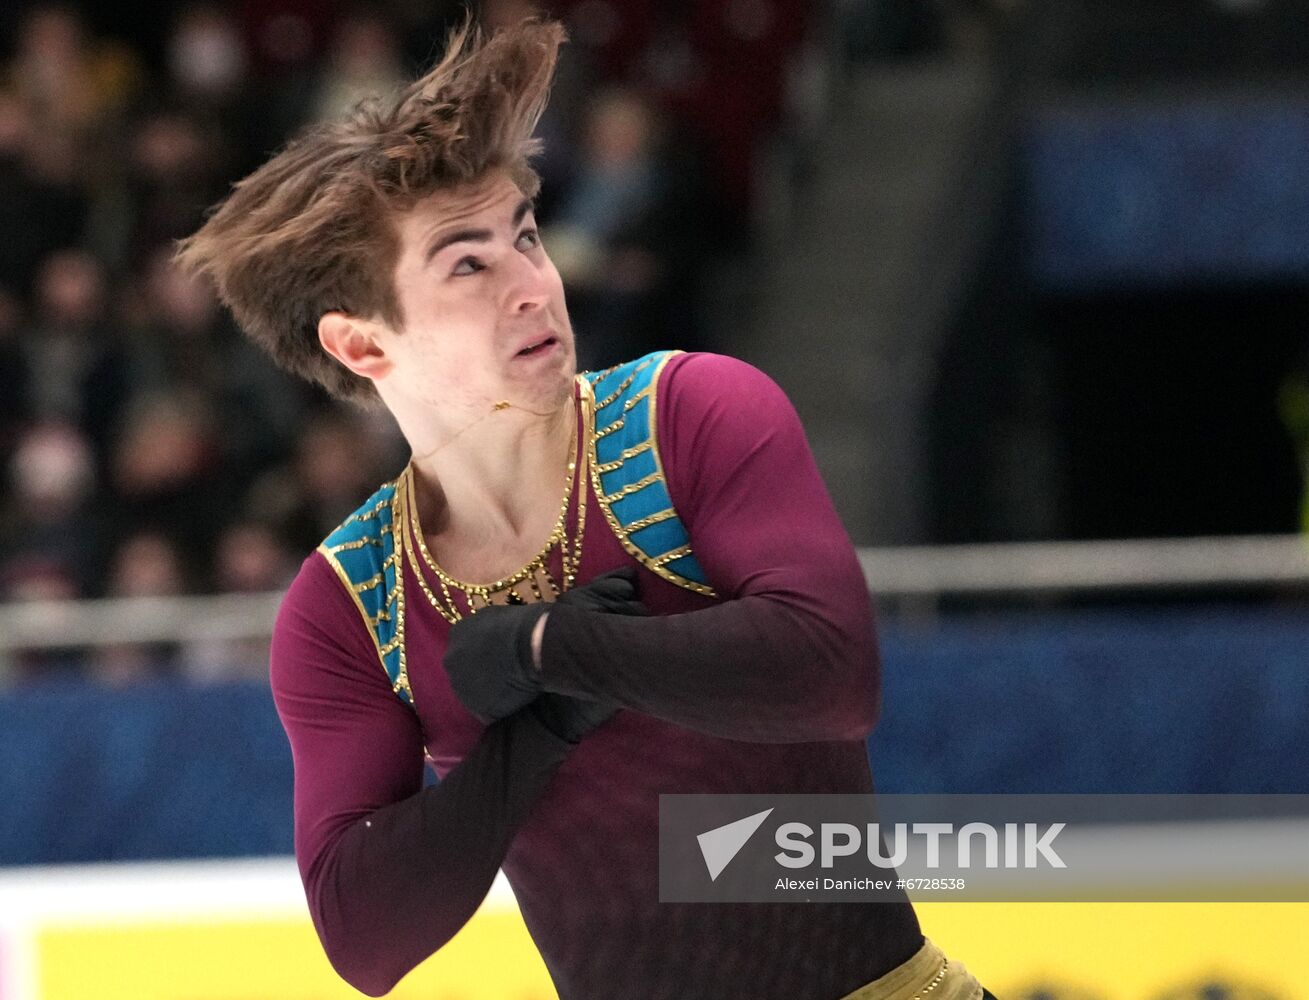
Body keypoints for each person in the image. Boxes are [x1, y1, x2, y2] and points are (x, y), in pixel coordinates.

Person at [178, 19, 990, 1000]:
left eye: (524, 235)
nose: (534, 283)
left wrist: (550, 651)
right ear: (361, 344)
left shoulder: (684, 416)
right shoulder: (352, 601)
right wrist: (531, 737)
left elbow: (832, 675)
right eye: (467, 264)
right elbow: (364, 936)